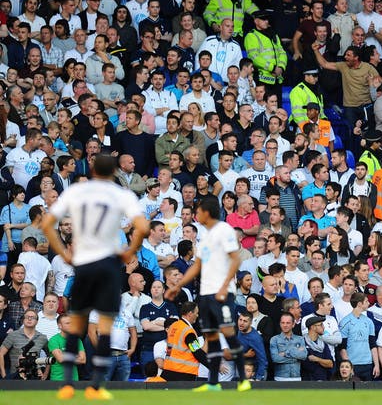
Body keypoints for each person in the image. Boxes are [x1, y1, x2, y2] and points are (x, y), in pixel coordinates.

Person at [42, 155, 150, 400]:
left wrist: (65, 255)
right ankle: (96, 387)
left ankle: (67, 384)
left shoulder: (78, 191)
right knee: (105, 325)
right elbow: (142, 227)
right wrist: (129, 253)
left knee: (78, 323)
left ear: (91, 169)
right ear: (114, 171)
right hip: (109, 264)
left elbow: (48, 223)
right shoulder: (122, 195)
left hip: (84, 263)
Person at [165, 197, 252, 392]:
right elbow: (197, 267)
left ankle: (243, 380)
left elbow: (235, 260)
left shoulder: (224, 230)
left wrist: (223, 287)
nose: (196, 214)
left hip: (222, 293)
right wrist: (178, 286)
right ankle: (213, 383)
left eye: (199, 210)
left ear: (207, 211)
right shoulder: (205, 237)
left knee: (228, 333)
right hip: (205, 294)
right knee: (211, 337)